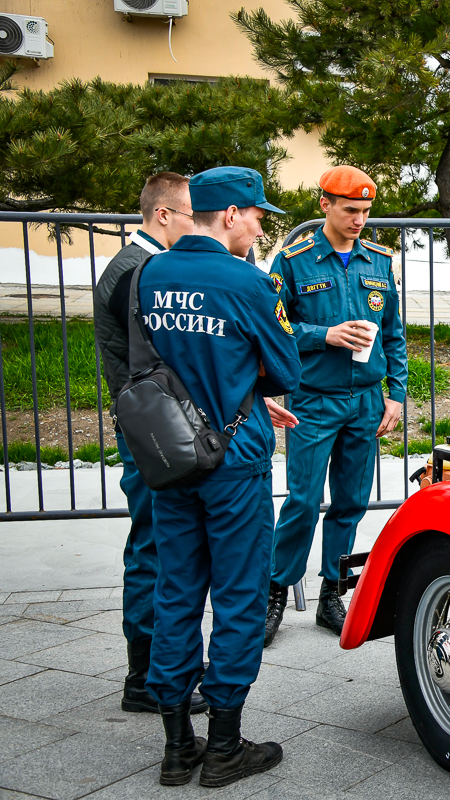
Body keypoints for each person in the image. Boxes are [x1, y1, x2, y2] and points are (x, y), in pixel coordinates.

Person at [139, 166, 301, 787]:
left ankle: (178, 745)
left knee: (176, 591)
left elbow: (144, 365)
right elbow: (285, 371)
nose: (260, 229)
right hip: (235, 460)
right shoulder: (249, 282)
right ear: (230, 214)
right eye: (257, 216)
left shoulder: (150, 274)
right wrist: (244, 369)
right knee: (238, 595)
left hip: (172, 457)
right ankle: (226, 746)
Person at [263, 165, 407, 645]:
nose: (359, 220)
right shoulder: (293, 260)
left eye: (365, 211)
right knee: (303, 501)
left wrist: (396, 393)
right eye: (350, 210)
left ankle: (333, 593)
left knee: (350, 502)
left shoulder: (379, 262)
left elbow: (393, 333)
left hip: (365, 401)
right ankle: (275, 592)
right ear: (325, 205)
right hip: (314, 400)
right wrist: (323, 334)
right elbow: (274, 327)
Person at [92, 172, 214, 716]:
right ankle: (144, 676)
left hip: (158, 425)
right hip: (153, 432)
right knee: (152, 547)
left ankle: (164, 667)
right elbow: (163, 354)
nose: (197, 225)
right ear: (163, 215)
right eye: (191, 215)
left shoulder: (141, 267)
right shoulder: (135, 272)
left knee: (162, 545)